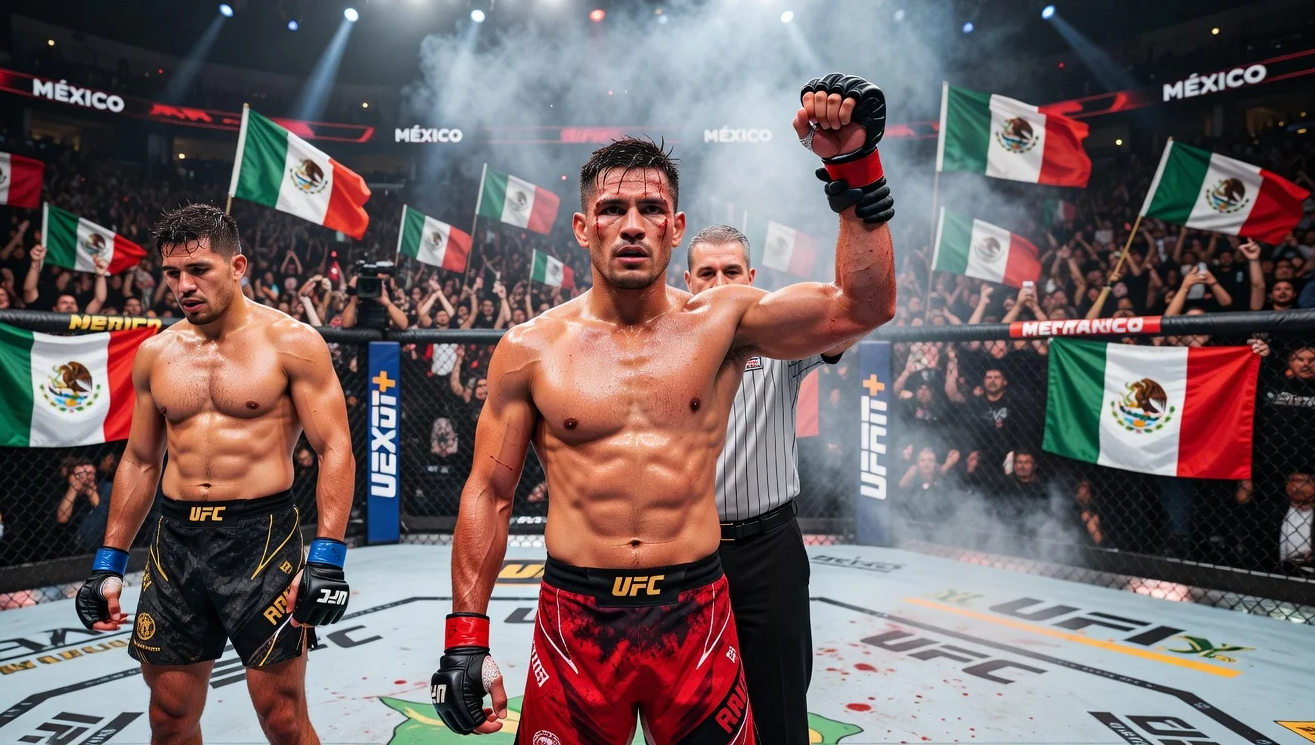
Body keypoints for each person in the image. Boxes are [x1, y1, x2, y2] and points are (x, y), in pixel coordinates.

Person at [430, 73, 896, 742]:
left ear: (676, 229)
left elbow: (865, 306)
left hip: (697, 616)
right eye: (613, 210)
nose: (631, 226)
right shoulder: (529, 349)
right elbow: (489, 491)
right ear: (584, 227)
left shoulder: (725, 321)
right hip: (574, 620)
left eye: (651, 210)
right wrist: (466, 638)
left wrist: (856, 166)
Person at [72, 204, 356, 745]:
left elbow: (334, 447)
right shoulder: (156, 353)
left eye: (198, 269)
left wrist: (327, 558)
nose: (184, 285)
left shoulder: (292, 342)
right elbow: (139, 460)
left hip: (262, 540)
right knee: (169, 715)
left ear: (237, 266)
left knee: (282, 716)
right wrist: (107, 563)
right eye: (173, 273)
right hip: (176, 541)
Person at [681, 223, 843, 743]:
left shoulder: (780, 344)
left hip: (770, 550)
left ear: (753, 278)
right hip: (688, 552)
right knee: (692, 708)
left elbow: (850, 314)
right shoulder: (663, 349)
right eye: (707, 273)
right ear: (688, 282)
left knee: (779, 707)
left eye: (732, 271)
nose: (720, 282)